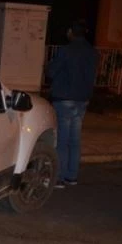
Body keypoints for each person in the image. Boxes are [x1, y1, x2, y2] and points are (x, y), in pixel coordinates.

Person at [47, 20, 99, 188]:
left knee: (62, 140)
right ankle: (72, 176)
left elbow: (51, 72)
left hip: (65, 98)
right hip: (82, 100)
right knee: (75, 139)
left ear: (71, 32)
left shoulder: (66, 50)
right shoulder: (93, 52)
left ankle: (59, 178)